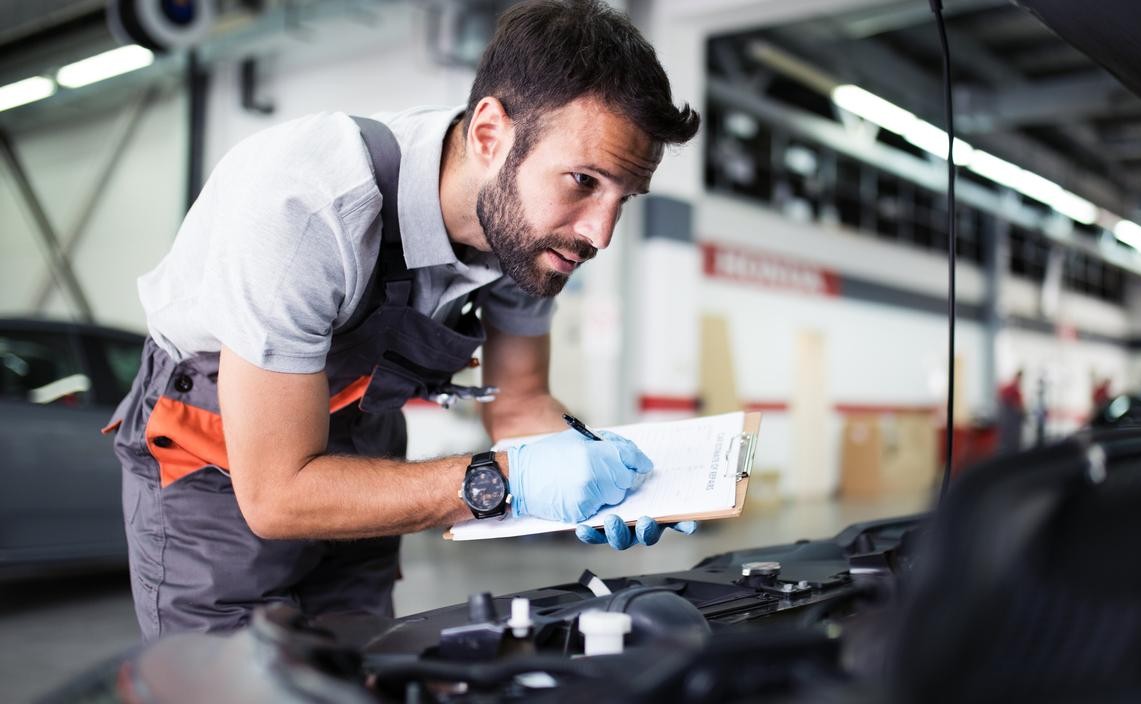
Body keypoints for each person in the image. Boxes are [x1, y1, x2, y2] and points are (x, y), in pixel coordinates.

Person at [105, 0, 700, 641]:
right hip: (216, 455)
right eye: (584, 181)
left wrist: (599, 475)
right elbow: (276, 493)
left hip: (364, 439)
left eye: (623, 198)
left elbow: (522, 401)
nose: (600, 233)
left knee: (365, 665)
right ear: (490, 134)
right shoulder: (306, 206)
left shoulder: (532, 236)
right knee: (230, 680)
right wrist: (508, 481)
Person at [997, 370, 1025, 454]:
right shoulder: (1011, 388)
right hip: (1011, 420)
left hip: (1011, 420)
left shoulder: (1014, 389)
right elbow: (1016, 405)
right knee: (1011, 441)